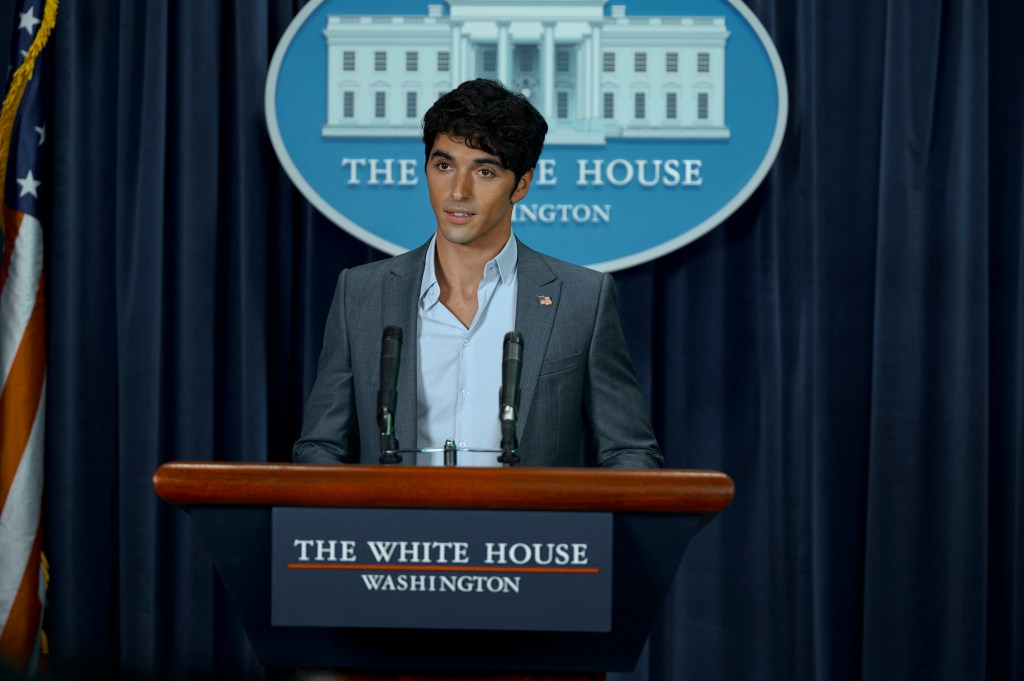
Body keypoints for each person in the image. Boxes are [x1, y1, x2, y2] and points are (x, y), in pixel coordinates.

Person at [293, 79, 662, 469]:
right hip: (397, 529)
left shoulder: (582, 299)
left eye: (484, 172)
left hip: (528, 529)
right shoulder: (360, 294)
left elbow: (630, 452)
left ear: (520, 185)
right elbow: (321, 447)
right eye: (444, 165)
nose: (458, 191)